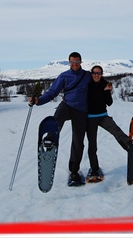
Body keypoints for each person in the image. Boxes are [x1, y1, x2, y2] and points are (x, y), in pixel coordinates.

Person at [29, 52, 91, 186]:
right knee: (58, 115)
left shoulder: (87, 76)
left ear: (81, 62)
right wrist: (39, 101)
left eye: (77, 62)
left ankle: (74, 171)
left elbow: (98, 86)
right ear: (69, 63)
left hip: (81, 110)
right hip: (68, 105)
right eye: (72, 62)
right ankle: (50, 137)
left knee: (78, 141)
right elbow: (52, 92)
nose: (75, 64)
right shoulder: (64, 76)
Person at [85, 65, 131, 182]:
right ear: (92, 74)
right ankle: (94, 169)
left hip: (103, 116)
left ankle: (130, 146)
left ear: (101, 74)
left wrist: (106, 91)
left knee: (116, 130)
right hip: (90, 118)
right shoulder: (87, 85)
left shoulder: (105, 85)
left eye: (99, 73)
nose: (96, 75)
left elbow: (109, 103)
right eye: (95, 73)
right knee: (92, 145)